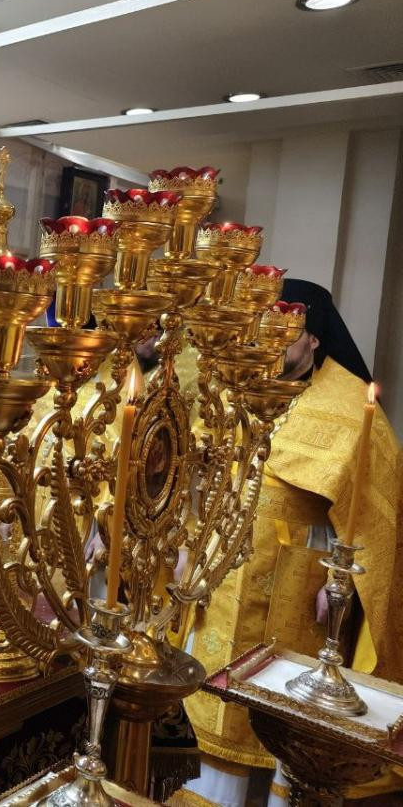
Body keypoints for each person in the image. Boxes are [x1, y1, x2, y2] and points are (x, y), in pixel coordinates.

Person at [183, 278, 401, 806]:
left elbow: (375, 517)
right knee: (209, 703)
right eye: (262, 330)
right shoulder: (236, 387)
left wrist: (341, 580)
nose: (271, 344)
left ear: (315, 338)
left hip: (297, 586)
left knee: (284, 710)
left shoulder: (352, 407)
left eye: (286, 334)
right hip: (222, 570)